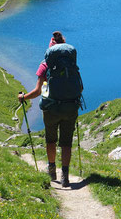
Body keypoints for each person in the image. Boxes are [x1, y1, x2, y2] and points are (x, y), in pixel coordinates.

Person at [18, 31, 83, 187]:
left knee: (51, 140)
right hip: (70, 107)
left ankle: (52, 169)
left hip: (51, 108)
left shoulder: (45, 65)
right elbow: (80, 88)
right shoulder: (72, 65)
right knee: (66, 143)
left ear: (50, 49)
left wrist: (23, 97)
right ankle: (65, 175)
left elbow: (38, 91)